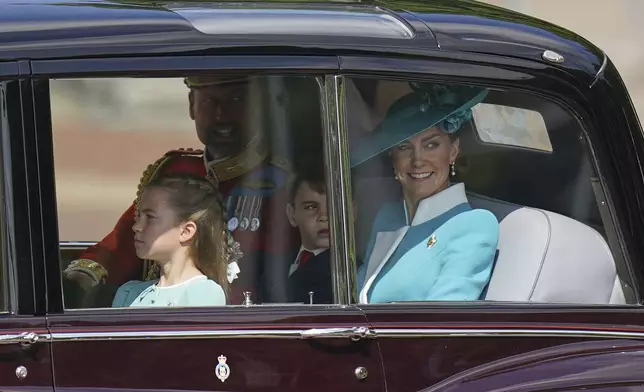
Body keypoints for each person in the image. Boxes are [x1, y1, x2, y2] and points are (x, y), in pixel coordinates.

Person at [64, 75, 299, 307]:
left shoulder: (282, 185)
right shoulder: (173, 170)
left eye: (236, 101)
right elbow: (120, 245)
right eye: (209, 102)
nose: (221, 115)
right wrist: (84, 278)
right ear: (191, 106)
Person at [352, 81, 499, 304]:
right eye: (404, 147)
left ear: (453, 151)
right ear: (392, 157)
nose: (418, 160)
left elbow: (443, 323)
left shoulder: (473, 224)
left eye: (431, 145)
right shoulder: (388, 216)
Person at [112, 174, 242, 307]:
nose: (136, 226)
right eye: (139, 216)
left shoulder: (203, 293)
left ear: (186, 231)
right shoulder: (128, 292)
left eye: (150, 217)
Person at [284, 165, 333, 304]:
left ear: (352, 212)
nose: (324, 217)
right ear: (292, 214)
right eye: (311, 207)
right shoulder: (275, 266)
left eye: (333, 205)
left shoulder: (352, 272)